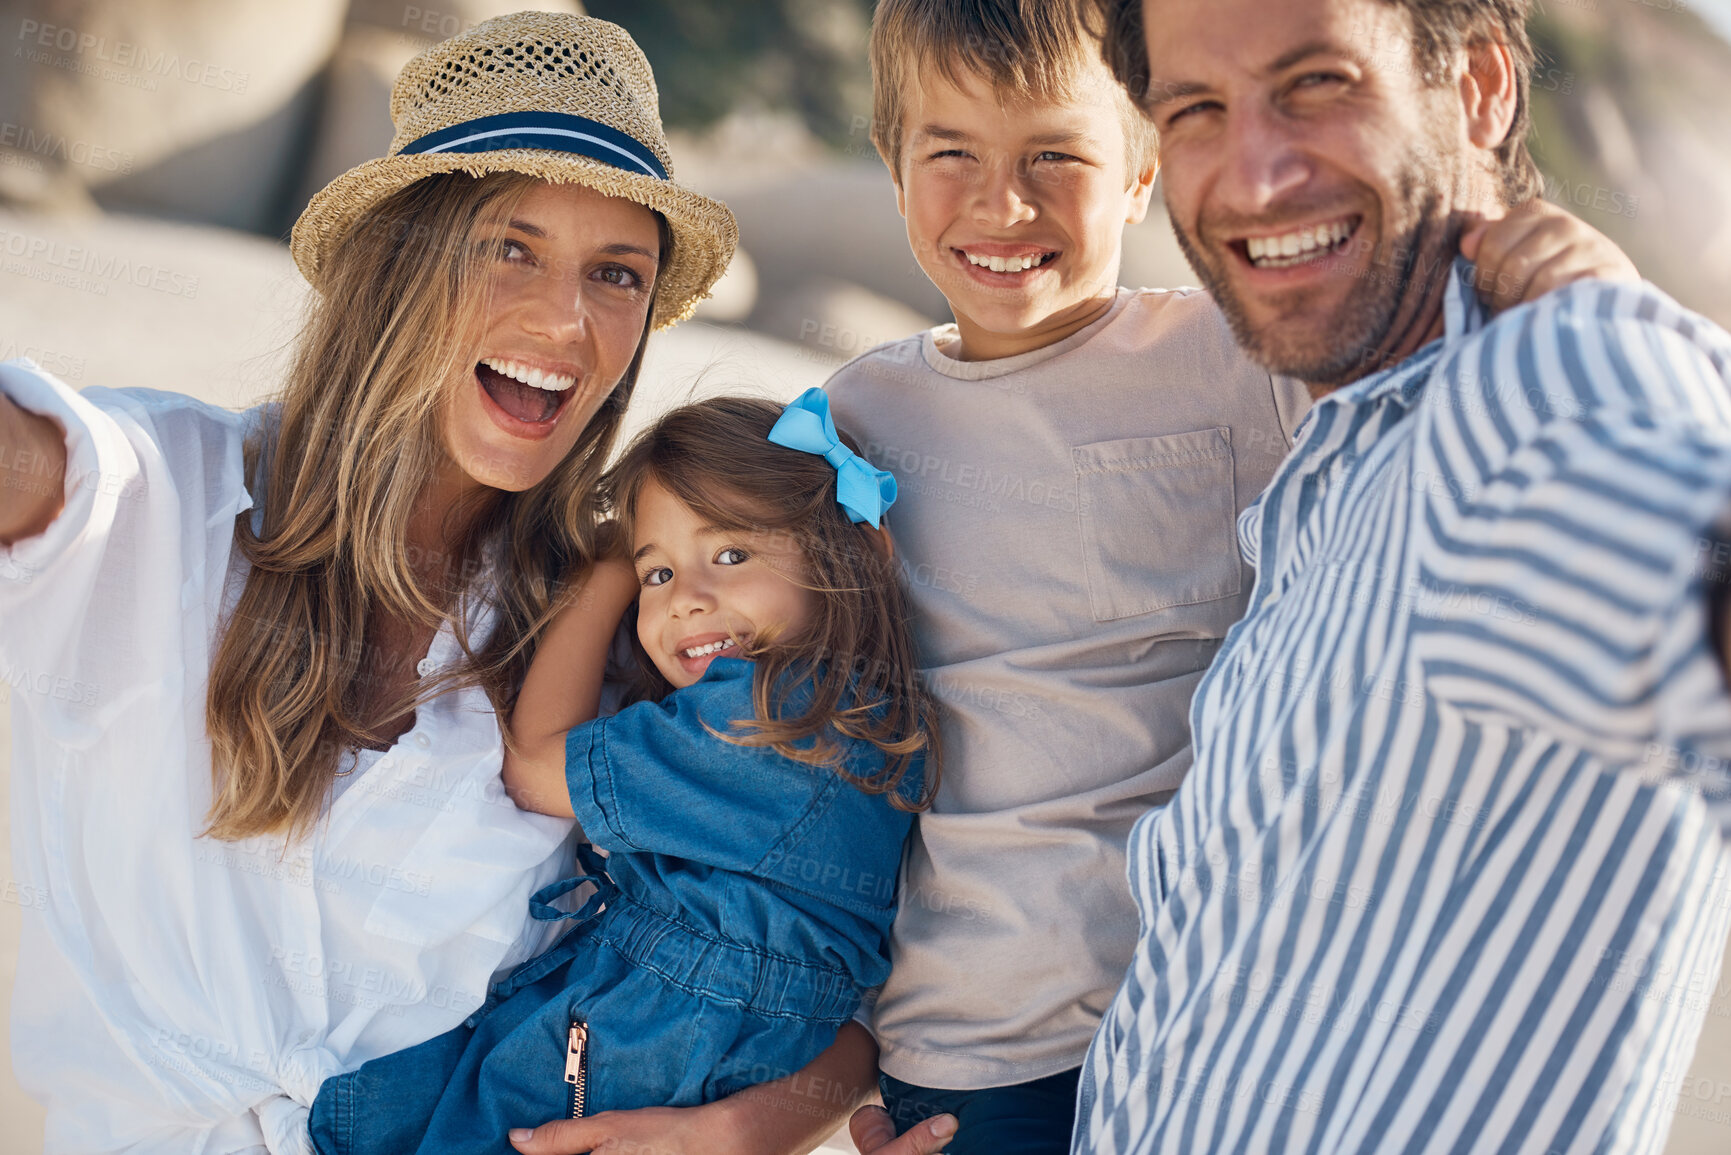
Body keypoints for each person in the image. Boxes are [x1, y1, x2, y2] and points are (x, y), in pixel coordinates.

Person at [0, 13, 886, 1155]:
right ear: (396, 264)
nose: (564, 323)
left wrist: (746, 1132)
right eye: (507, 247)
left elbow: (820, 961)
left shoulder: (634, 629)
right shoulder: (160, 500)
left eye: (616, 274)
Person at [833, 3, 1647, 1153]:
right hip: (973, 1048)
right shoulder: (855, 423)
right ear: (890, 160)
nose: (998, 203)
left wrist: (1587, 277)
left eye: (1055, 155)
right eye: (948, 152)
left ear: (1143, 172)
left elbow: (1443, 385)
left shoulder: (1233, 360)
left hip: (1217, 1026)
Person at [1069, 0, 1731, 1151]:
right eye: (1196, 111)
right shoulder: (1350, 454)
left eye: (1318, 84)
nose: (1255, 176)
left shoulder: (1537, 386)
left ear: (1478, 87)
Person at [306, 391, 938, 1153]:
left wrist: (602, 574)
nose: (686, 601)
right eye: (657, 573)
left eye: (731, 555)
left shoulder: (767, 713)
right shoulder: (877, 718)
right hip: (737, 1036)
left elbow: (537, 767)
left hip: (649, 1032)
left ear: (855, 553)